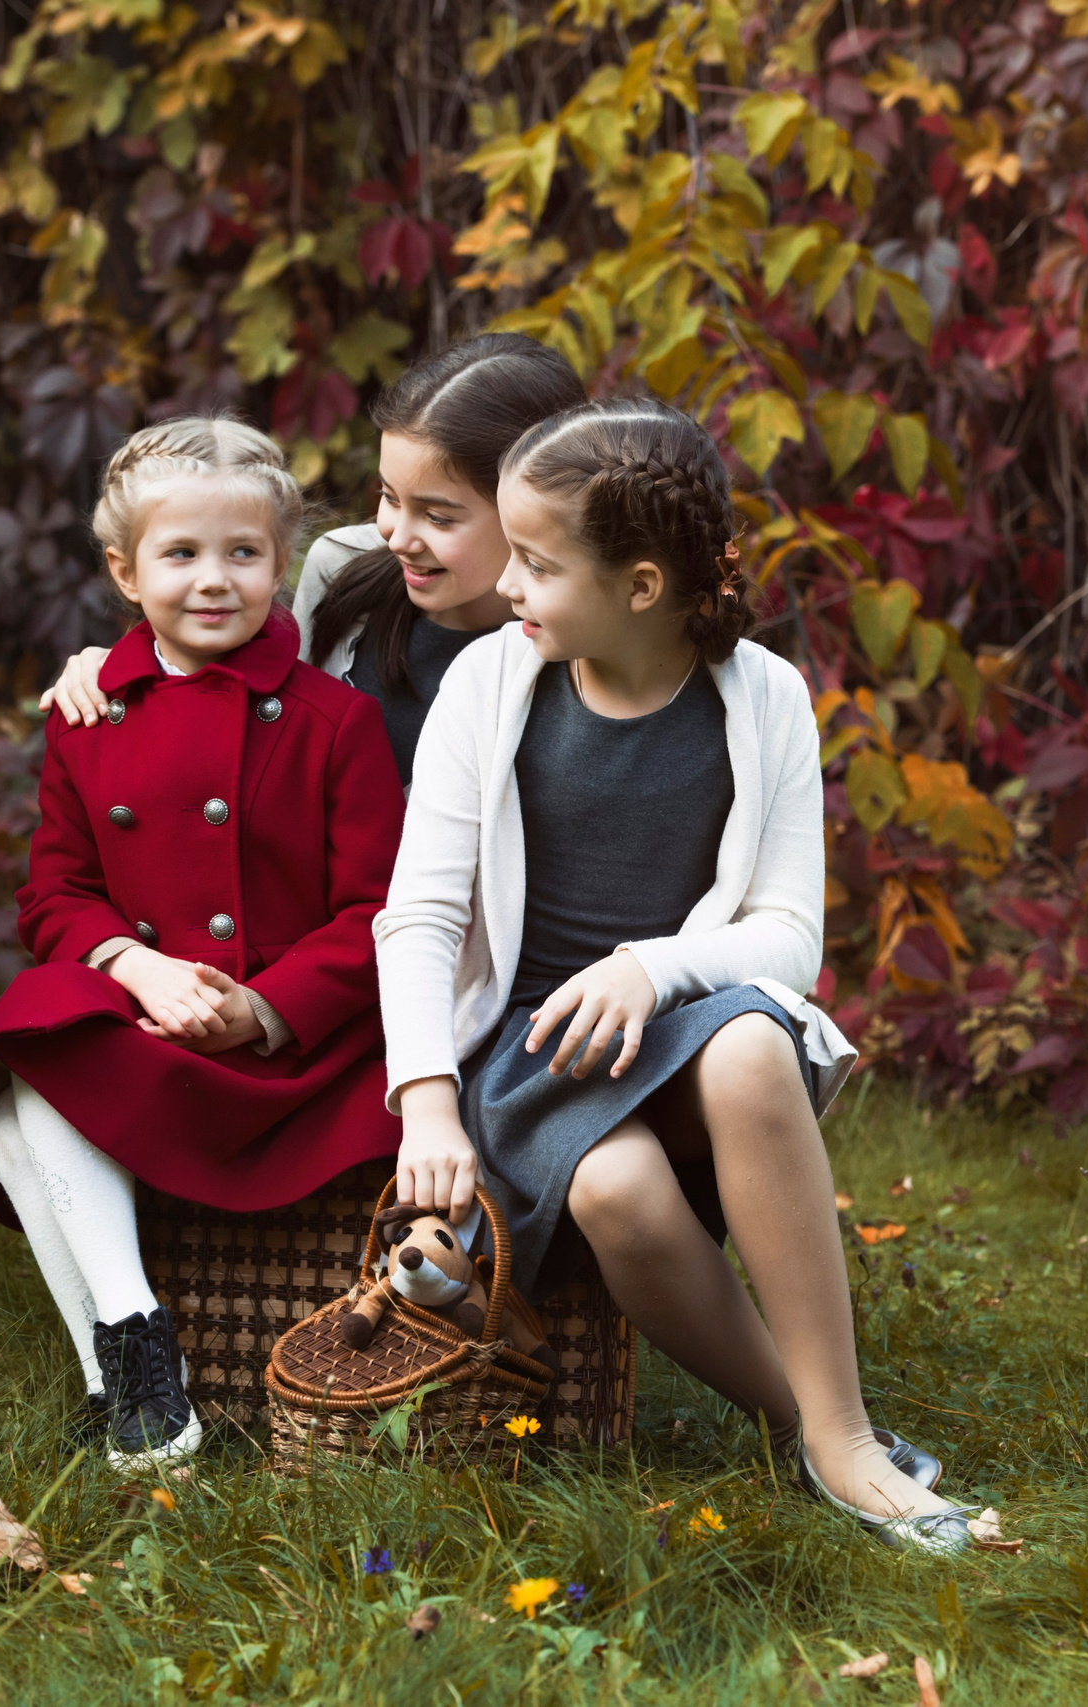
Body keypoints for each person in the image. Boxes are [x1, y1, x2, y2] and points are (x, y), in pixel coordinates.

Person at [372, 399, 1006, 1555]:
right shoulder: (486, 684)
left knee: (759, 1036)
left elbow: (785, 940)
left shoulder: (761, 700)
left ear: (643, 587)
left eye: (536, 562)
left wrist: (652, 968)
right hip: (532, 1048)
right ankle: (812, 1433)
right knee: (613, 1190)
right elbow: (418, 914)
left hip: (682, 1024)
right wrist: (425, 1097)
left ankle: (848, 1434)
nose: (504, 585)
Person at [0, 417, 404, 1470]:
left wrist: (264, 1006)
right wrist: (135, 963)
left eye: (243, 554)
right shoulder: (89, 713)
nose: (213, 579)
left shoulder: (333, 721)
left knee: (23, 1108)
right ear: (124, 570)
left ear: (282, 565)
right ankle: (134, 1350)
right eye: (180, 554)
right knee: (33, 1037)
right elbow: (55, 892)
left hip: (294, 1050)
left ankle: (120, 1382)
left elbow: (376, 910)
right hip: (150, 1013)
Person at [37, 333, 588, 785]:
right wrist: (119, 669)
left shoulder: (588, 632)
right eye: (389, 497)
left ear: (529, 509)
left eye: (439, 517)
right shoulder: (342, 569)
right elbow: (250, 694)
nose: (395, 536)